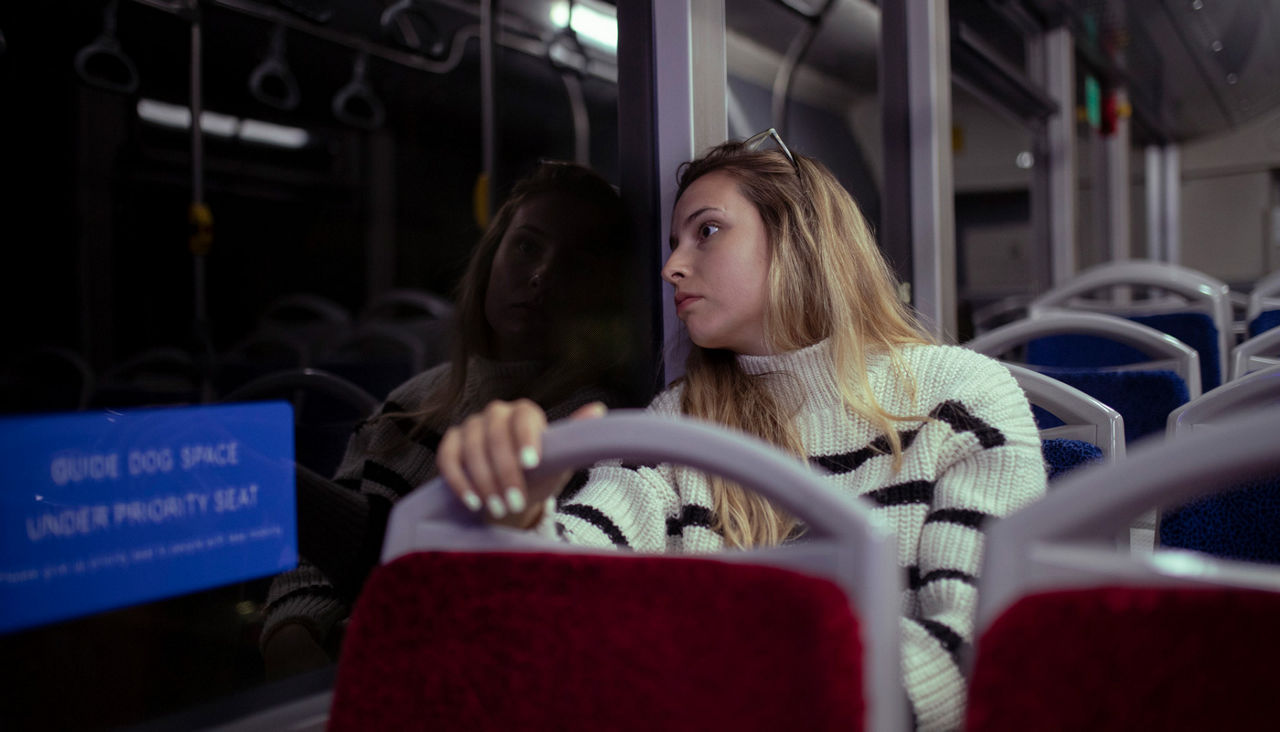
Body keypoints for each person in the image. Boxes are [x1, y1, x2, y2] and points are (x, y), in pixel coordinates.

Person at [435, 133, 1048, 731]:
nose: (672, 267)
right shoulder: (678, 422)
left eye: (707, 232)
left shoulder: (963, 396)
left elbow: (977, 641)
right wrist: (521, 519)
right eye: (674, 243)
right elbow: (590, 561)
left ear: (800, 239)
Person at [259, 161, 645, 676]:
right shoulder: (415, 398)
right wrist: (293, 641)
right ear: (492, 257)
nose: (540, 275)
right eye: (528, 246)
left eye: (577, 265)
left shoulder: (592, 426)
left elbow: (493, 606)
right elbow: (312, 564)